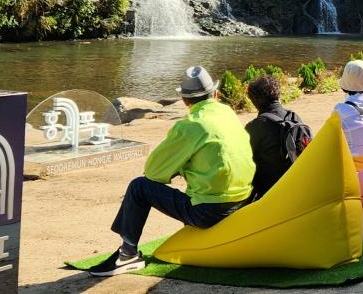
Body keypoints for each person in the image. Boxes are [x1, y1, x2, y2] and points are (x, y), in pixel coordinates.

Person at [90, 66, 255, 276]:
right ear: (215, 93)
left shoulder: (191, 125)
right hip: (244, 200)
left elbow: (152, 172)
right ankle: (127, 253)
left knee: (139, 187)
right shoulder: (227, 113)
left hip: (210, 212)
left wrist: (180, 166)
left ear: (185, 101)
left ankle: (127, 254)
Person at [245, 75, 311, 201]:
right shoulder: (294, 117)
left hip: (270, 193)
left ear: (254, 101)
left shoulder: (254, 127)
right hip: (298, 186)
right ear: (278, 94)